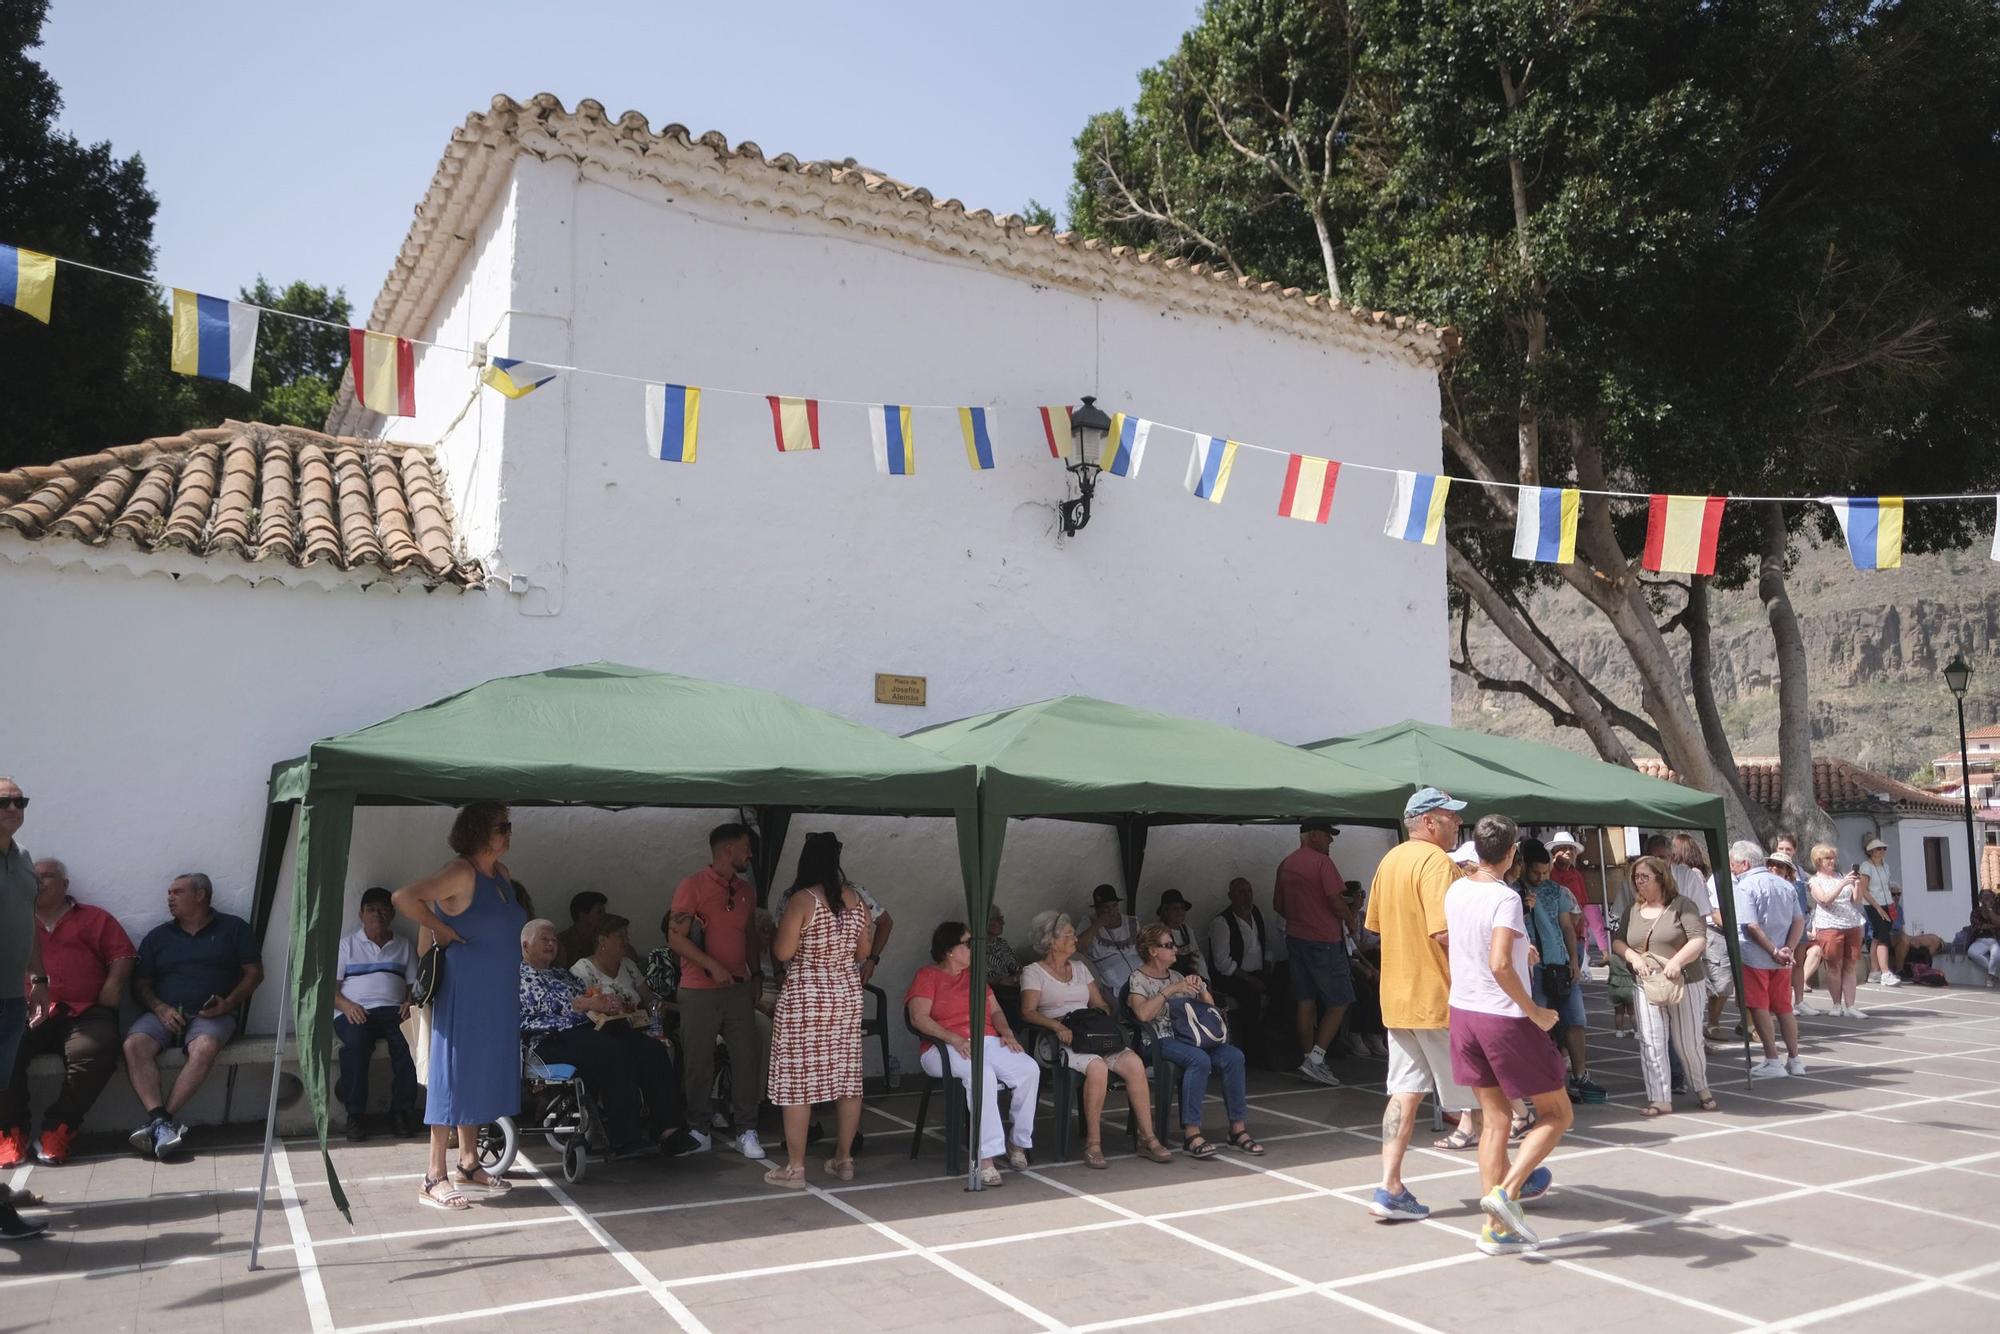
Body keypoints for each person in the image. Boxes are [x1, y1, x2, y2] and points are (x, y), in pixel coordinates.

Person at [1444, 815, 1571, 1256]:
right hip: (1504, 1018)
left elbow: (1474, 945)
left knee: (1495, 1120)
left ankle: (1495, 1228)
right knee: (1557, 1114)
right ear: (1512, 852)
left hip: (1464, 1014)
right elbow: (1499, 963)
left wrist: (1522, 950)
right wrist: (1535, 1011)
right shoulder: (1506, 898)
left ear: (1475, 850)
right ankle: (1506, 1193)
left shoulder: (1457, 889)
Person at [393, 801, 526, 1210]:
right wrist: (442, 929)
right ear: (479, 832)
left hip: (498, 989)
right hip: (464, 988)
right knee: (452, 1071)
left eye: (509, 825)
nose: (509, 832)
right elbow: (404, 897)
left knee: (480, 1070)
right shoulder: (460, 871)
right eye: (502, 826)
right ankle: (434, 1174)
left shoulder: (500, 875)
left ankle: (469, 1162)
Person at [1364, 787, 1482, 1220]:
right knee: (1486, 1095)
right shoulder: (1435, 863)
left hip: (1398, 999)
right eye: (1451, 818)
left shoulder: (1390, 860)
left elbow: (1374, 925)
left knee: (1404, 1093)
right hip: (1438, 997)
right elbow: (1446, 933)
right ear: (1430, 821)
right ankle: (1512, 1181)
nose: (1457, 824)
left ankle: (1389, 1186)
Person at [2, 859, 136, 1168]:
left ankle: (58, 1129)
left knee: (97, 1050)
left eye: (47, 876)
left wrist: (113, 985)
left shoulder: (94, 918)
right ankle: (10, 1133)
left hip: (84, 1012)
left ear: (65, 884)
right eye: (33, 878)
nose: (39, 882)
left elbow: (124, 954)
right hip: (23, 1011)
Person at [520, 919, 690, 1160]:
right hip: (549, 1040)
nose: (551, 944)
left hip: (586, 1031)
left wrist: (606, 1004)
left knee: (650, 1048)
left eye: (554, 940)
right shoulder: (520, 976)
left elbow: (588, 997)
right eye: (544, 939)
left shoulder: (562, 974)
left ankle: (668, 1129)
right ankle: (626, 1137)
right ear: (526, 945)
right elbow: (538, 1009)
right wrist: (585, 1004)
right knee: (611, 1051)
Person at [123, 873, 262, 1159]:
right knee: (134, 1044)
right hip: (164, 1012)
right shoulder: (158, 936)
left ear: (200, 895)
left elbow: (254, 973)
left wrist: (228, 1003)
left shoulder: (233, 928)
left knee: (205, 1047)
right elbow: (140, 984)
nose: (169, 898)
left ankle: (163, 1120)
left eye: (177, 892)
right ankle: (160, 1121)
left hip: (211, 1014)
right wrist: (160, 1008)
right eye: (169, 892)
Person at [1019, 911, 1172, 1168]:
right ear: (1051, 941)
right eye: (1068, 935)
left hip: (1091, 1034)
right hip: (1059, 1040)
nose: (1075, 939)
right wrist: (1056, 1025)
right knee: (1098, 1067)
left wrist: (1100, 1014)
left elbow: (1099, 1003)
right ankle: (1093, 1143)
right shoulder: (1033, 972)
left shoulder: (1080, 968)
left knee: (1134, 1063)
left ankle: (1147, 1137)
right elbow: (1027, 1011)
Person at [765, 832, 873, 1187]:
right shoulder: (856, 900)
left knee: (798, 1081)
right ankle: (844, 1160)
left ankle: (795, 1168)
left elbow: (782, 953)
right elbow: (861, 954)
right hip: (845, 995)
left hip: (806, 996)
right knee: (847, 1080)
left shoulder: (802, 900)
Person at [906, 920, 1038, 1187]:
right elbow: (918, 1018)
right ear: (949, 951)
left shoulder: (975, 976)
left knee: (1029, 1069)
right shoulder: (927, 975)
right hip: (942, 1047)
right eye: (967, 944)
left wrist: (1007, 1033)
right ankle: (985, 1156)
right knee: (983, 1076)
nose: (972, 949)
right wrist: (953, 1038)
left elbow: (997, 1011)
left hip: (985, 1041)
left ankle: (1017, 1142)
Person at [669, 823, 765, 1161]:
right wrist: (711, 965)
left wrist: (757, 975)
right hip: (698, 990)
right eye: (745, 848)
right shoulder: (691, 886)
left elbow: (750, 934)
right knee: (698, 1061)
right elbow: (676, 937)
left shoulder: (745, 890)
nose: (749, 855)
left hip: (739, 988)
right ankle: (699, 1128)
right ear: (728, 850)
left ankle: (746, 1129)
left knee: (745, 1058)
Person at [1127, 922, 1262, 1161]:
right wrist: (1170, 990)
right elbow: (1143, 1015)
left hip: (1190, 1037)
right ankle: (1191, 1133)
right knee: (1198, 1060)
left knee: (1234, 1056)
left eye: (1174, 945)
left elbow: (1208, 1012)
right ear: (1152, 951)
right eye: (1168, 946)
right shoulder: (1138, 979)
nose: (1174, 950)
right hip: (1159, 1039)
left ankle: (1237, 1129)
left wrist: (1201, 990)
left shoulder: (1177, 975)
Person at [1614, 856, 1714, 1115]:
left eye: (1644, 877)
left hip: (1684, 982)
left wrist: (1678, 962)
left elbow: (1698, 939)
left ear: (1661, 878)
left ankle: (1701, 1087)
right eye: (1636, 877)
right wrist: (1633, 957)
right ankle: (1659, 1098)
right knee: (1651, 1041)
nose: (1639, 882)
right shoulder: (1632, 911)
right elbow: (1618, 941)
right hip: (1646, 982)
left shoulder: (1683, 905)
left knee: (1687, 1043)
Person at [0, 777, 50, 1240]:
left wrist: (38, 979)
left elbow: (28, 922)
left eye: (20, 800)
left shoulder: (23, 860)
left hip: (11, 999)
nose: (13, 806)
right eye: (4, 800)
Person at [1274, 818, 1359, 1087]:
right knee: (1341, 999)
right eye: (1327, 835)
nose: (1331, 840)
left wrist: (1301, 916)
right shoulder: (1322, 863)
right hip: (1324, 940)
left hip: (1296, 938)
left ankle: (1308, 1056)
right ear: (1312, 836)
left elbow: (1278, 904)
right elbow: (1336, 901)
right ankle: (1317, 1059)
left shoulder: (1286, 863)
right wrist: (1349, 918)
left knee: (1305, 1000)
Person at [333, 887, 420, 1141]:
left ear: (392, 914)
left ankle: (401, 1112)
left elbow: (413, 987)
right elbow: (330, 989)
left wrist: (410, 1002)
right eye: (371, 909)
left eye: (383, 909)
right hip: (356, 1011)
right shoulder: (346, 945)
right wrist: (348, 1006)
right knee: (356, 1045)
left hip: (394, 1010)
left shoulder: (403, 944)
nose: (377, 914)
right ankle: (355, 1115)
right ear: (361, 914)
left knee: (409, 1043)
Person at [1732, 843, 1807, 1079]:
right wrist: (1788, 949)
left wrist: (1775, 950)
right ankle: (1794, 1059)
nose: (1732, 869)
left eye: (1734, 863)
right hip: (1781, 957)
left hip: (1756, 956)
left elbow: (1751, 925)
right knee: (1784, 1007)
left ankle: (1773, 1059)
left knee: (1760, 1007)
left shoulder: (1746, 886)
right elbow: (1799, 921)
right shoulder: (1786, 885)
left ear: (1745, 863)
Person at [1207, 877, 1275, 1064]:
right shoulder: (1222, 922)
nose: (1247, 897)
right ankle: (1253, 1053)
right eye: (1241, 893)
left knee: (1284, 985)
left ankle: (1277, 1048)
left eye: (1249, 892)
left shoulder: (1257, 914)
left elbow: (1266, 943)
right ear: (1231, 896)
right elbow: (1222, 962)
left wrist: (1268, 964)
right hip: (1232, 976)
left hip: (1257, 972)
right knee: (1250, 997)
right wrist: (1250, 979)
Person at [1807, 844, 1868, 1018]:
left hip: (1851, 924)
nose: (1832, 861)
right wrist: (1842, 884)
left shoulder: (1841, 876)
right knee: (1834, 967)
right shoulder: (1815, 881)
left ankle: (1851, 1006)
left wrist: (1856, 884)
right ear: (1818, 861)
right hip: (1829, 926)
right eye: (1828, 858)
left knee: (1850, 965)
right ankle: (1836, 1004)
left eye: (1833, 858)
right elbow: (1825, 900)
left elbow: (1856, 900)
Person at [571, 914, 654, 1012]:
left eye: (626, 935)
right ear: (602, 940)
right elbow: (578, 1007)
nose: (626, 940)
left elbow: (648, 999)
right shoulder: (582, 969)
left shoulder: (628, 965)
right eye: (620, 936)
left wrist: (656, 1009)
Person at [1077, 884, 1142, 1000]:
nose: (1111, 911)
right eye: (1106, 907)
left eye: (1114, 905)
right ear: (1097, 909)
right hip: (1113, 984)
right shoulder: (1088, 922)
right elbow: (1078, 947)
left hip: (1141, 976)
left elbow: (1144, 948)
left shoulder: (1131, 922)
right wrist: (1098, 924)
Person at [1547, 832, 1603, 966]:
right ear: (1554, 851)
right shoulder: (1548, 873)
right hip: (1557, 936)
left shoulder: (1577, 875)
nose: (1569, 851)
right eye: (1563, 848)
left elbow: (1582, 905)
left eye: (1572, 848)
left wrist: (1583, 935)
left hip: (1577, 937)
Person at [1859, 838, 1902, 987]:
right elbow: (1863, 891)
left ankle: (1874, 971)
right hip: (1873, 905)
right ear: (1871, 852)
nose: (1882, 851)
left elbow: (1886, 885)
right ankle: (1885, 973)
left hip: (1887, 904)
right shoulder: (1866, 867)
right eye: (1878, 849)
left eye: (1883, 848)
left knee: (1877, 937)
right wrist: (1877, 907)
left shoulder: (1886, 866)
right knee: (1883, 937)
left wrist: (1891, 901)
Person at [981, 907, 1023, 1030]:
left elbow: (1015, 966)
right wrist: (998, 980)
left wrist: (1015, 977)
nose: (1003, 923)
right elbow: (971, 977)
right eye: (999, 919)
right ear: (986, 922)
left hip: (1009, 988)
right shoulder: (974, 947)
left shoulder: (1001, 943)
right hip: (991, 992)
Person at [1155, 890, 1208, 979]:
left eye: (1182, 908)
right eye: (1175, 908)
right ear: (1166, 911)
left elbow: (1197, 956)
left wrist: (1204, 980)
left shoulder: (1187, 930)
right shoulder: (1158, 932)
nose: (1180, 912)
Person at [557, 891, 609, 969]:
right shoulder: (562, 944)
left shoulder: (604, 939)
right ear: (582, 916)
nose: (604, 916)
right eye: (599, 912)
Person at [1966, 886, 2000, 984]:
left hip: (1995, 940)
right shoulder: (1976, 912)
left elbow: (1998, 922)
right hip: (1980, 940)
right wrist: (1993, 925)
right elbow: (1978, 926)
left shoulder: (1997, 910)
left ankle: (1991, 977)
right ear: (1980, 899)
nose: (1987, 899)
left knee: (1996, 955)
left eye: (1989, 896)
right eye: (1984, 897)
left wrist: (1989, 909)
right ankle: (1993, 974)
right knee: (1972, 952)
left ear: (1993, 898)